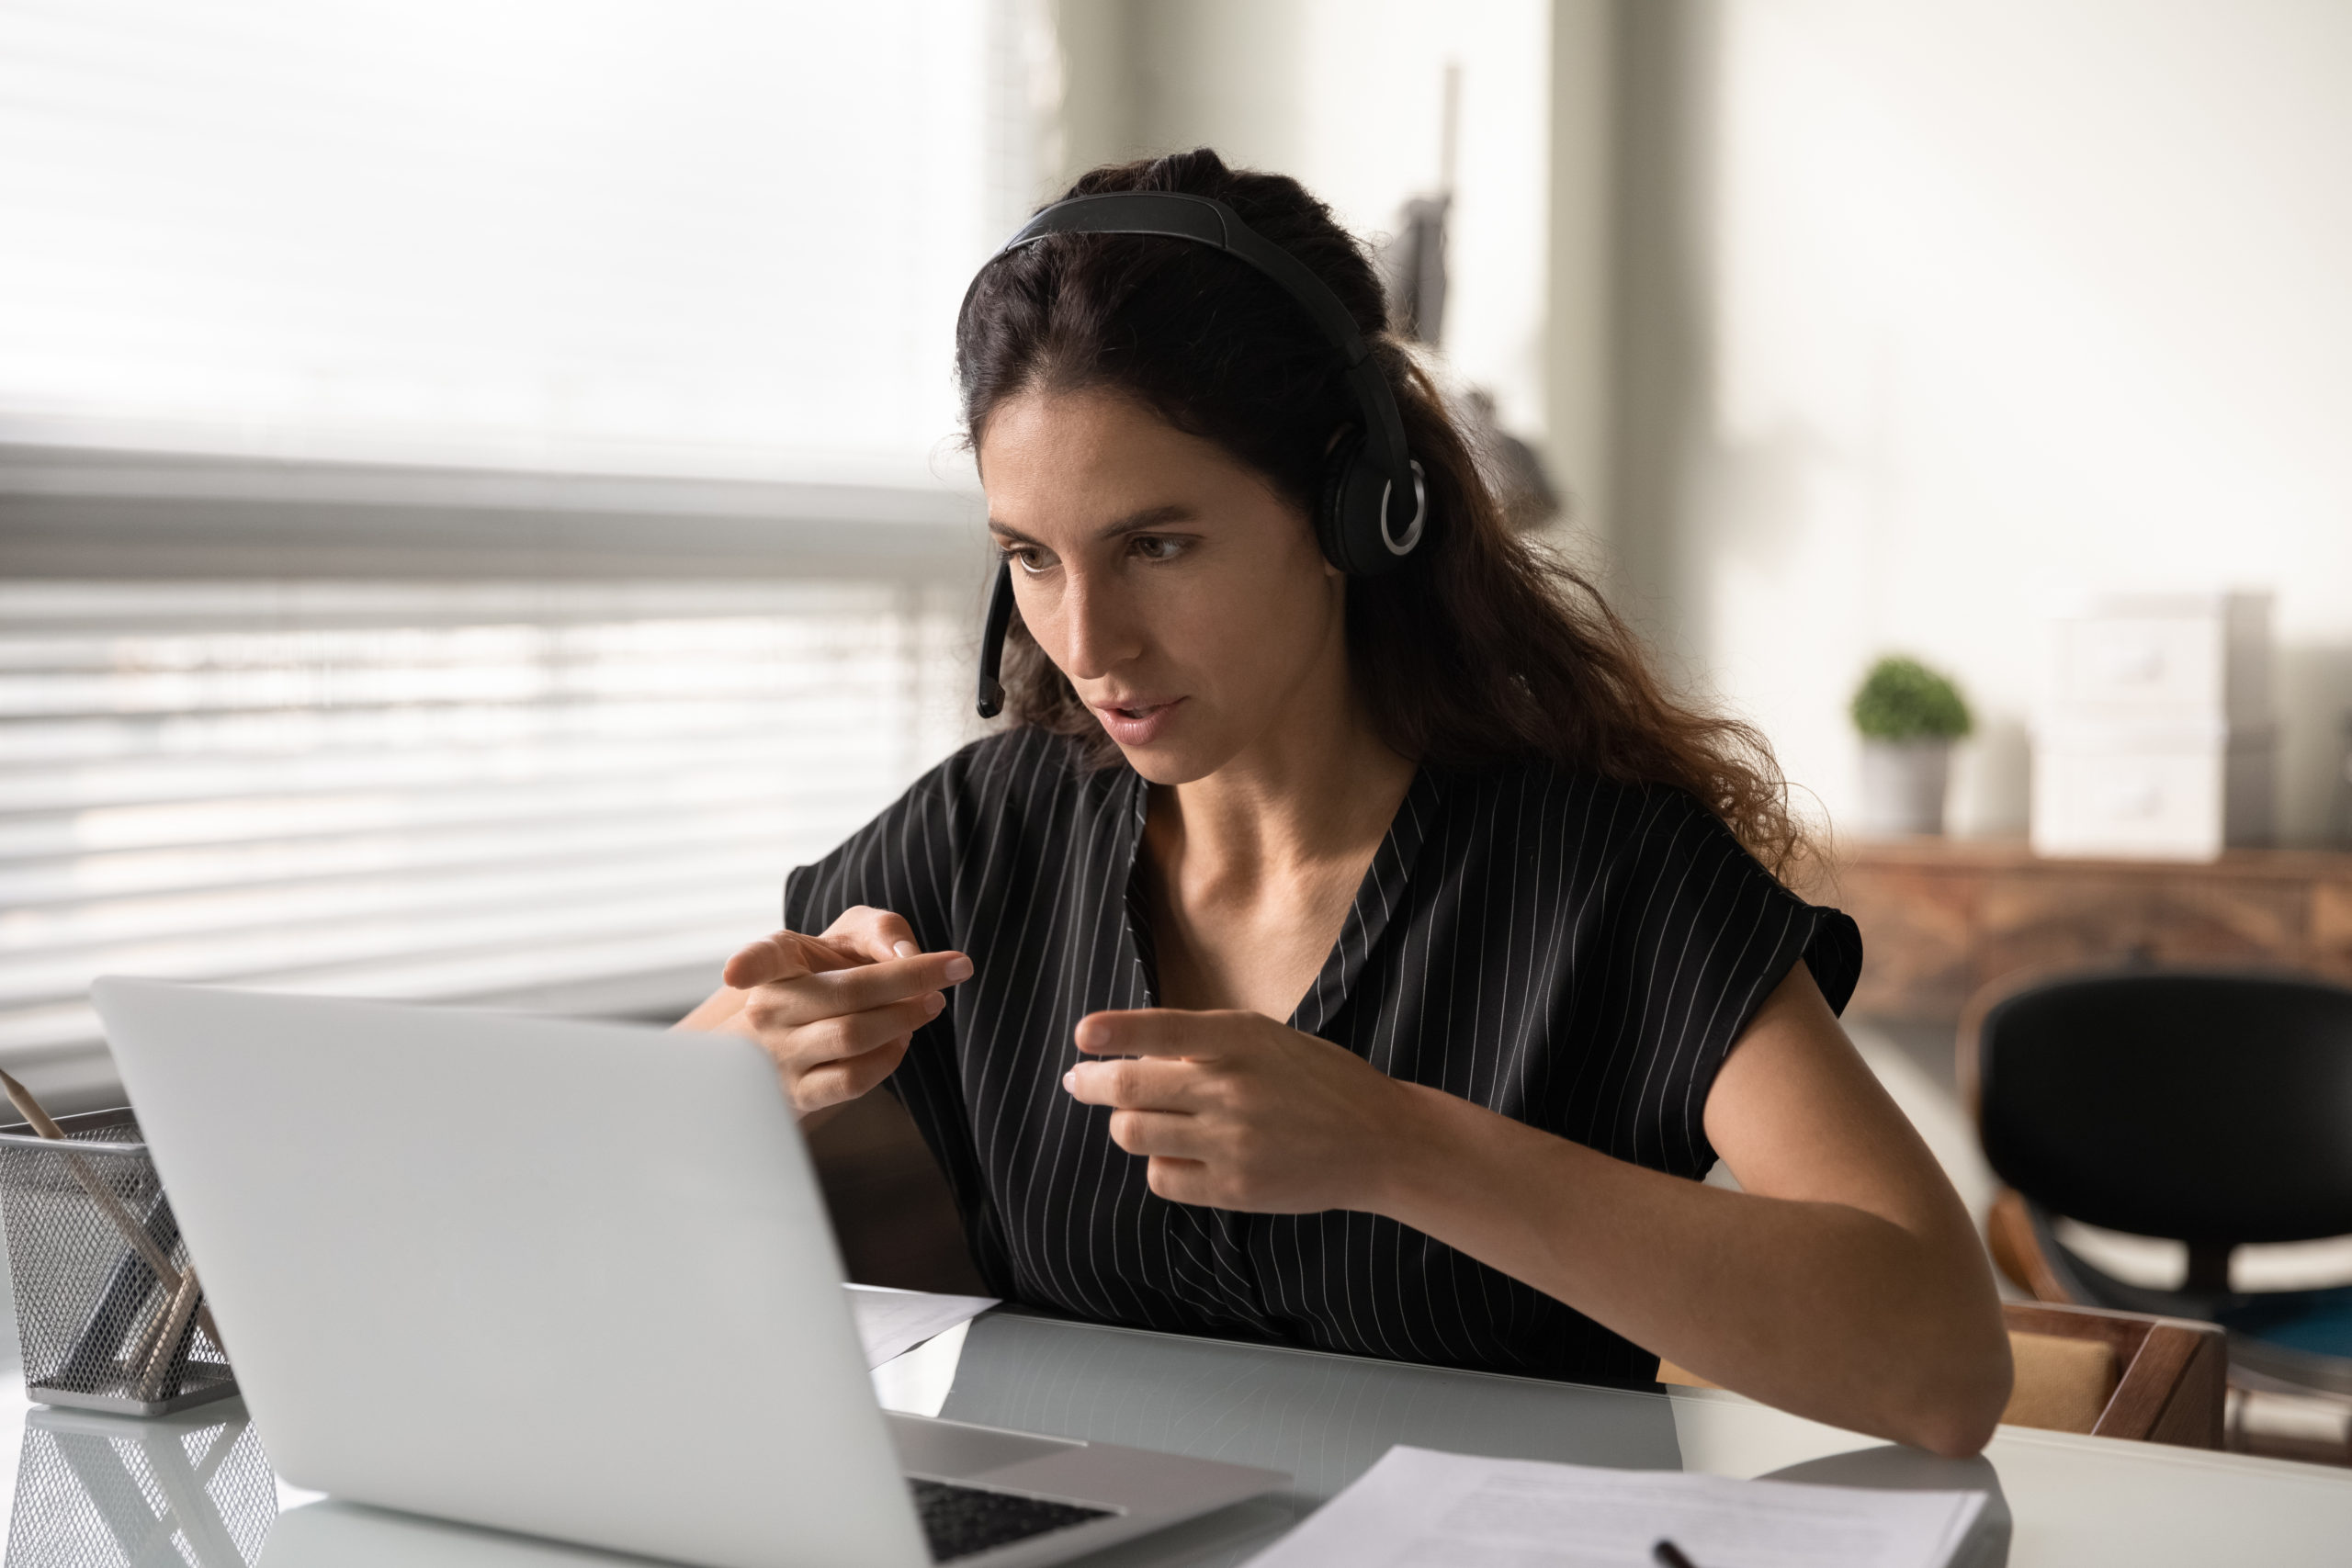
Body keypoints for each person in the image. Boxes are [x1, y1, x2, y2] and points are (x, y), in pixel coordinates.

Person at [679, 150, 2011, 1457]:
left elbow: (1944, 1367)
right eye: (1032, 557)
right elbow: (624, 1181)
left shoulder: (1601, 865)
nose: (1087, 643)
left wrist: (1401, 1146)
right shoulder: (984, 834)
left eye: (1157, 545)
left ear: (1351, 511)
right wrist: (736, 1081)